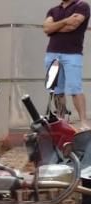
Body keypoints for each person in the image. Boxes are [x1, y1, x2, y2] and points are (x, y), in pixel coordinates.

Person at [43, 0, 90, 129]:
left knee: (75, 89)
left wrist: (54, 28)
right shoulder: (53, 10)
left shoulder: (82, 6)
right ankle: (61, 120)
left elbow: (73, 25)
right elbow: (46, 28)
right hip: (52, 54)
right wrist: (65, 21)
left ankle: (84, 122)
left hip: (72, 54)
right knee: (57, 91)